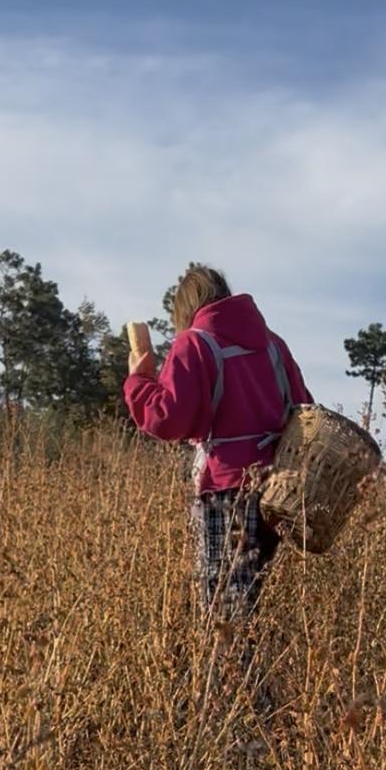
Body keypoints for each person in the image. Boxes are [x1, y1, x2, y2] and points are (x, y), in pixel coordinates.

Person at [125, 265, 313, 623]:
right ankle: (256, 660)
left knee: (223, 609)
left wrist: (139, 380)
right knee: (253, 605)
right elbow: (304, 410)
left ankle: (231, 663)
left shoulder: (194, 343)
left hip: (225, 490)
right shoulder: (274, 345)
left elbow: (166, 419)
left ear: (185, 307)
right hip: (277, 493)